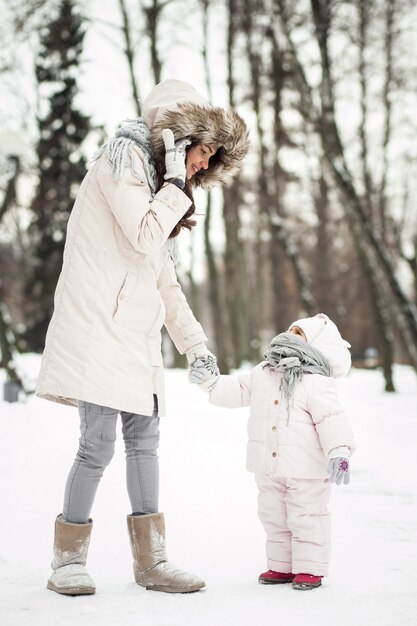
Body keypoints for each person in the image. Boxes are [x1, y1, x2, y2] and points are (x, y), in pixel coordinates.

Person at [36, 79, 249, 596]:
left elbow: (164, 278)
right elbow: (144, 234)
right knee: (97, 444)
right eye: (203, 152)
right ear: (179, 139)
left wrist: (195, 346)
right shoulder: (122, 159)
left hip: (135, 337)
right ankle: (67, 561)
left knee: (145, 443)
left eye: (212, 158)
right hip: (98, 328)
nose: (204, 165)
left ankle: (152, 563)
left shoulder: (160, 187)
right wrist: (174, 185)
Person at [190, 313, 356, 590]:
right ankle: (282, 566)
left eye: (300, 334)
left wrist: (339, 450)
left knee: (306, 516)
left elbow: (331, 418)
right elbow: (237, 390)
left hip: (306, 469)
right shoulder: (264, 372)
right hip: (270, 466)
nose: (290, 335)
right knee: (273, 516)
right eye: (291, 329)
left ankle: (310, 568)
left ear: (316, 344)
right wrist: (210, 381)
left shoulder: (316, 381)